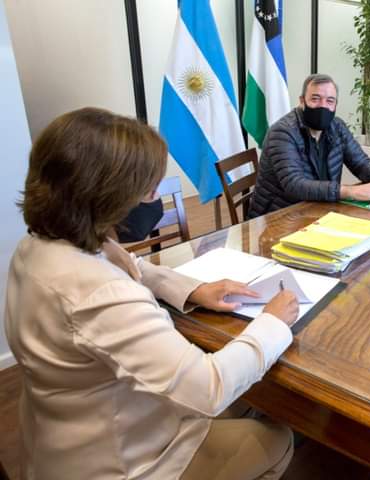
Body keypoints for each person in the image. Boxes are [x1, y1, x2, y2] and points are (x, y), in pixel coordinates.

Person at [5, 107, 299, 480]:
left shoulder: (39, 246)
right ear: (108, 197)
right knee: (277, 439)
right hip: (121, 462)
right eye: (148, 189)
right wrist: (272, 323)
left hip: (62, 438)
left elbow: (130, 264)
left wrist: (196, 290)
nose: (156, 197)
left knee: (243, 403)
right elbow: (209, 387)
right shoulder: (100, 294)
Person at [249, 73, 370, 218]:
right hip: (278, 216)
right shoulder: (282, 132)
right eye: (315, 99)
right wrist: (349, 191)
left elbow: (360, 161)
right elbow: (294, 185)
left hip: (318, 209)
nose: (323, 106)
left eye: (330, 101)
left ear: (335, 105)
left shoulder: (337, 127)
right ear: (302, 101)